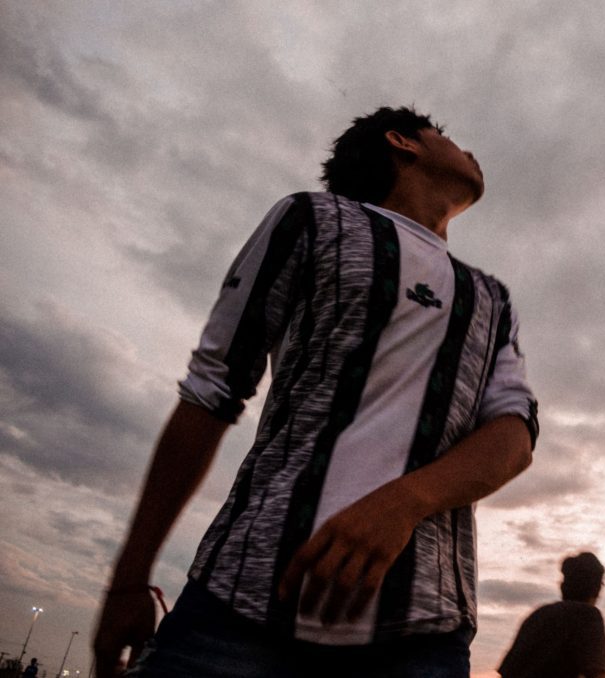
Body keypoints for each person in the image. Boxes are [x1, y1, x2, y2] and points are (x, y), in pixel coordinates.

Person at [92, 106, 539, 678]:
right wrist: (128, 581)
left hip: (421, 632)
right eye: (445, 135)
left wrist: (403, 503)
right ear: (402, 143)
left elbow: (513, 436)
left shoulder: (491, 298)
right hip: (241, 606)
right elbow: (211, 390)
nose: (467, 150)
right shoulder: (311, 219)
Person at [498, 552, 605, 678]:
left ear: (563, 585)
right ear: (597, 590)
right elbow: (599, 675)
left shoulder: (537, 616)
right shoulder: (588, 616)